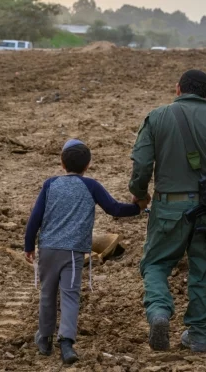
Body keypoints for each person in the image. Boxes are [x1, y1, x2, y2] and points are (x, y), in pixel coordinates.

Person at [129, 69, 206, 352]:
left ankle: (159, 312)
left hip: (167, 206)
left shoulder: (156, 117)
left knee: (156, 264)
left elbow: (142, 165)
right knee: (205, 270)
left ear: (178, 88)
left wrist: (140, 195)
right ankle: (199, 335)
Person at [24, 139, 147, 364]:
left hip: (48, 249)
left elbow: (35, 218)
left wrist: (29, 246)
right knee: (70, 295)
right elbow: (114, 209)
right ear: (88, 165)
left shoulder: (50, 184)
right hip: (73, 253)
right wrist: (138, 208)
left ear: (61, 163)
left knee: (47, 294)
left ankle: (44, 339)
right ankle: (67, 343)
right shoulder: (91, 186)